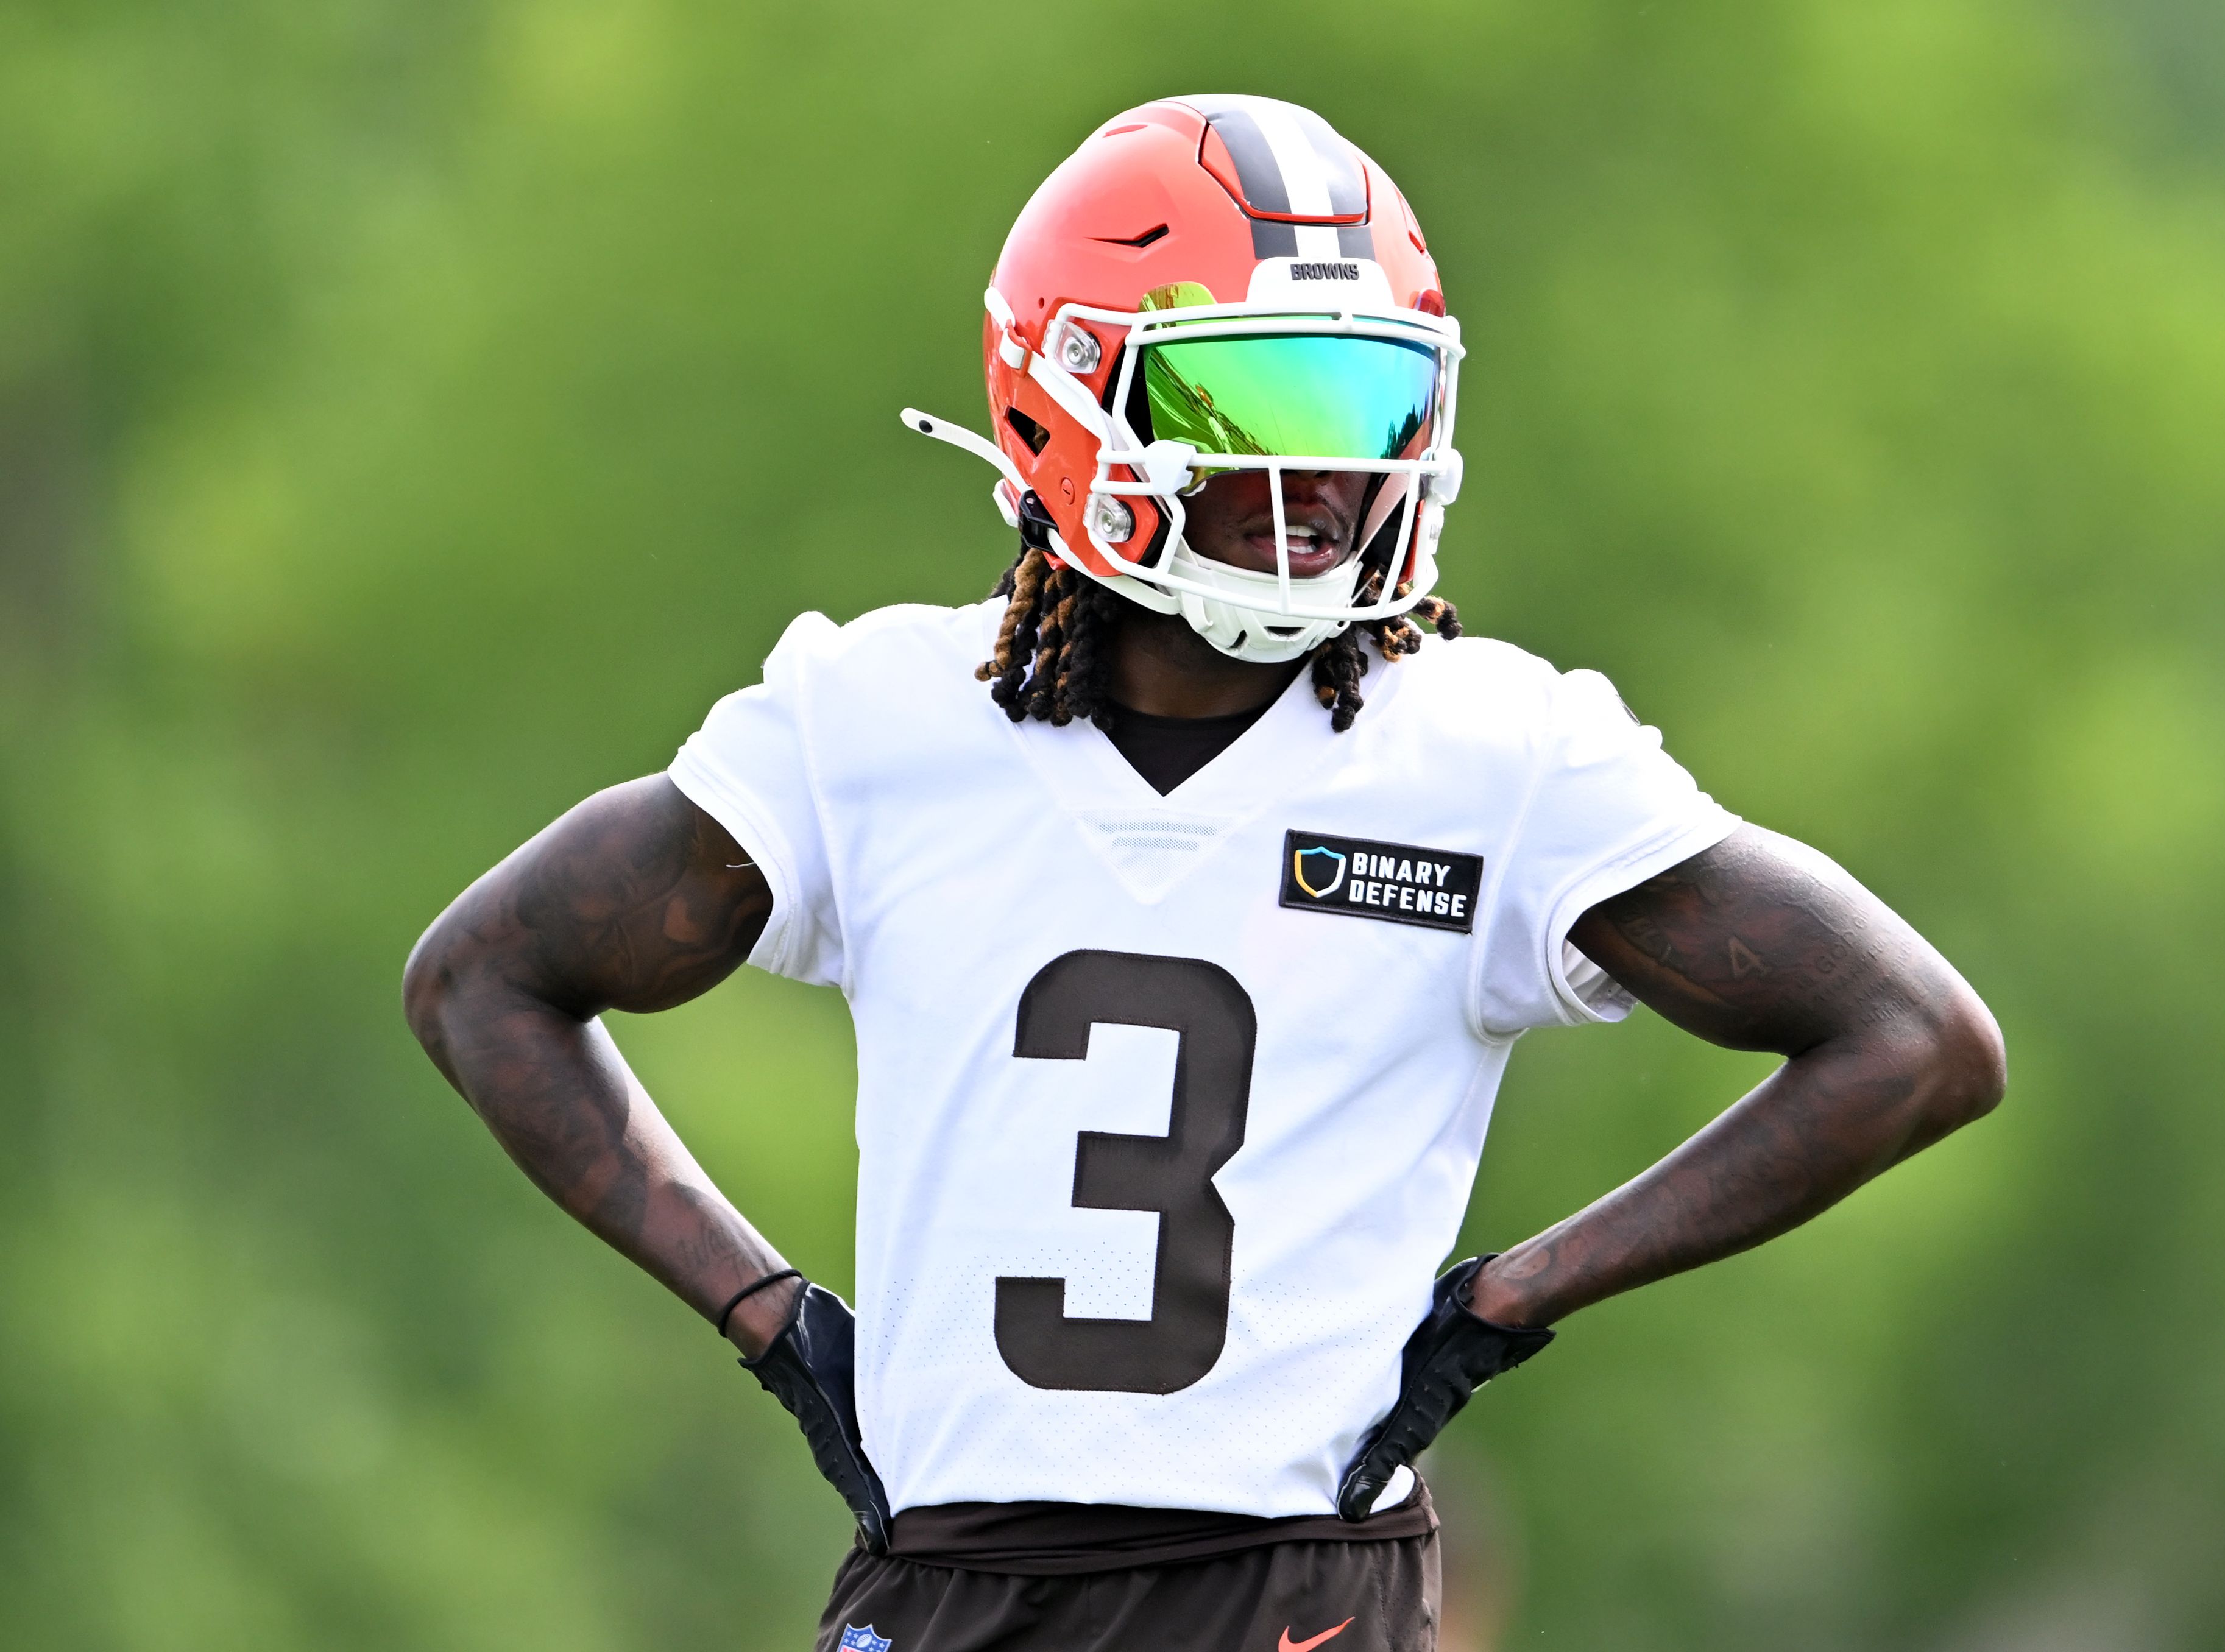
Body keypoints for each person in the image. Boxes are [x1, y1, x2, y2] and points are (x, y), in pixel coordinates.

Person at [402, 94, 2005, 1652]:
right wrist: (773, 1323)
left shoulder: (1493, 756)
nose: (1324, 483)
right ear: (1073, 395)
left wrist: (1512, 1299)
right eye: (1261, 410)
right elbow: (484, 978)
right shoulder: (874, 724)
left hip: (1293, 1590)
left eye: (1366, 414)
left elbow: (1914, 1039)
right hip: (948, 1577)